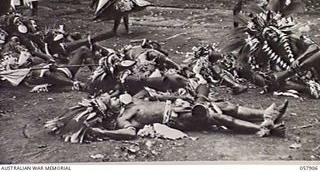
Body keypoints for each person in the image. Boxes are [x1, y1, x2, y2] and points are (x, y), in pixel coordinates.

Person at [45, 91, 288, 143]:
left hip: (179, 105)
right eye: (111, 100)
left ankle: (265, 113)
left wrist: (173, 94)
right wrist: (101, 132)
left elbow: (149, 95)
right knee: (218, 117)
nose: (115, 97)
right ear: (108, 111)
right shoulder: (123, 120)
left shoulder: (131, 102)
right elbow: (129, 134)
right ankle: (263, 129)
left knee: (223, 105)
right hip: (178, 119)